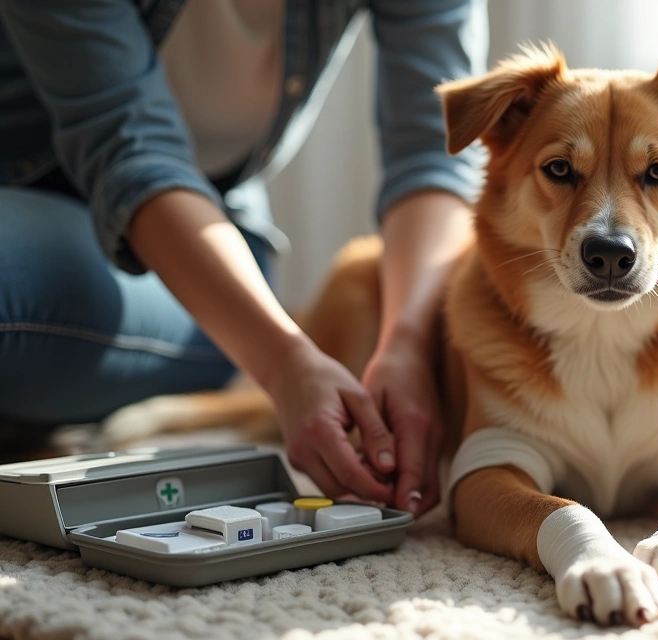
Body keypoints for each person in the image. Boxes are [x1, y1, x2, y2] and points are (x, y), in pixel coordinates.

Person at [0, 0, 485, 517]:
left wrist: (408, 345)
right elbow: (131, 151)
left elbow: (436, 153)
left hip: (215, 263)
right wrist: (284, 363)